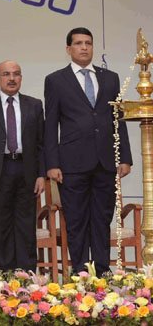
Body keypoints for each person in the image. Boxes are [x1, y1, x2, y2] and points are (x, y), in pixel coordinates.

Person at [44, 27, 132, 276]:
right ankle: (81, 273)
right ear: (68, 49)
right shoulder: (55, 80)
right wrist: (52, 163)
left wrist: (124, 157)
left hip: (106, 162)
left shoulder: (110, 78)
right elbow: (50, 124)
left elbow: (119, 119)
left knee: (102, 220)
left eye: (88, 43)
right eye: (79, 43)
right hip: (71, 163)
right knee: (76, 221)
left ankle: (103, 272)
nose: (84, 47)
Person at [0, 60, 45, 272]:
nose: (12, 78)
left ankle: (27, 277)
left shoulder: (34, 105)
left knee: (26, 227)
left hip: (27, 170)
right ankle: (4, 279)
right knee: (0, 227)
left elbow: (41, 144)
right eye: (6, 74)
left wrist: (42, 174)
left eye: (16, 74)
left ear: (21, 78)